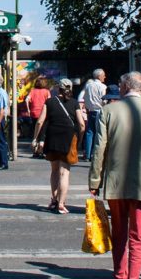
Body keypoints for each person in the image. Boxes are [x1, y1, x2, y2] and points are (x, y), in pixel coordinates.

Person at [89, 72, 141, 279]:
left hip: (115, 181)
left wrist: (94, 181)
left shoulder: (108, 112)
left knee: (119, 232)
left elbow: (99, 149)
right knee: (138, 236)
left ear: (124, 87)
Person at [32, 78, 85, 214]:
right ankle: (61, 203)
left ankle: (54, 199)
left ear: (58, 89)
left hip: (52, 137)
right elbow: (82, 124)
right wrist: (80, 140)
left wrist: (36, 138)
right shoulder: (74, 103)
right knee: (64, 172)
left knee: (54, 170)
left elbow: (40, 121)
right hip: (69, 138)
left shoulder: (50, 102)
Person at [78, 69, 108, 160]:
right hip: (99, 110)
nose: (105, 77)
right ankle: (95, 154)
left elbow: (85, 98)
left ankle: (87, 155)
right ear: (99, 76)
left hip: (90, 111)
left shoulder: (88, 86)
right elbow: (104, 100)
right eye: (103, 75)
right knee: (99, 133)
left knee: (89, 133)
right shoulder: (102, 86)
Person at [26, 77, 52, 158]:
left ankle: (35, 151)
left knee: (35, 132)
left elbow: (26, 99)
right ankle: (41, 150)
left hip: (34, 113)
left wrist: (28, 109)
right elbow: (50, 101)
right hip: (44, 114)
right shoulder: (46, 92)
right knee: (43, 132)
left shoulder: (32, 91)